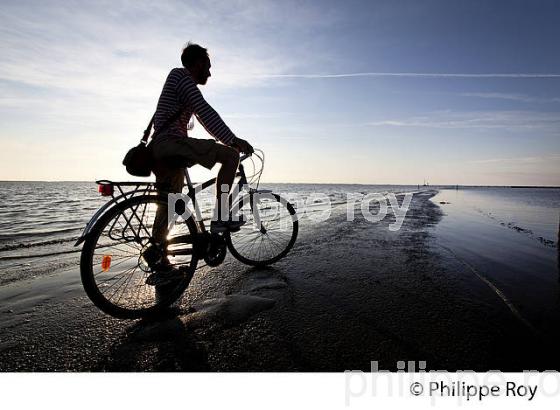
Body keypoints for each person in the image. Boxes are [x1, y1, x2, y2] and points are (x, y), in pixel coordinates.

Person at [147, 43, 253, 284]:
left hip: (161, 149)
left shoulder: (179, 83)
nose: (209, 73)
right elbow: (204, 111)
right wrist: (233, 141)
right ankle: (221, 217)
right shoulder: (181, 76)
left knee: (169, 204)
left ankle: (160, 262)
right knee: (230, 156)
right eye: (207, 66)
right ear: (196, 63)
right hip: (171, 143)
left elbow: (201, 118)